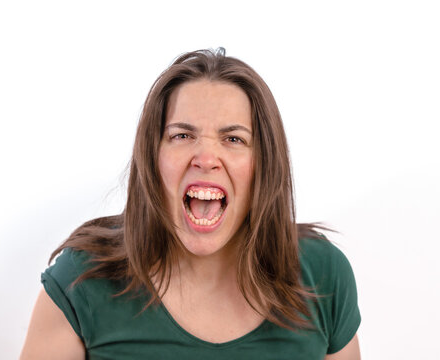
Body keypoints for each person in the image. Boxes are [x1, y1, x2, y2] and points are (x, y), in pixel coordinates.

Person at [20, 48, 361, 360]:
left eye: (233, 139)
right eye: (182, 135)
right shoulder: (81, 280)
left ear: (264, 164)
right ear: (153, 157)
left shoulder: (323, 275)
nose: (206, 158)